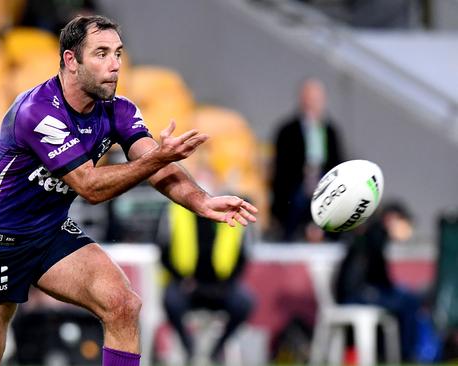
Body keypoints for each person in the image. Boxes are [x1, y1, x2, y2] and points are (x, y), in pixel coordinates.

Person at [0, 15, 258, 366]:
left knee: (123, 305)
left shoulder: (119, 110)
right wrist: (158, 159)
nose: (115, 65)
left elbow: (157, 167)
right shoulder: (37, 111)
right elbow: (90, 186)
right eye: (101, 53)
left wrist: (202, 200)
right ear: (71, 60)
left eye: (118, 53)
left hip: (49, 232)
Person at [156, 167, 255, 363]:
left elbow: (243, 256)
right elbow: (163, 251)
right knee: (171, 301)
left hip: (221, 286)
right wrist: (181, 278)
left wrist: (227, 283)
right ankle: (189, 347)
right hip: (186, 284)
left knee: (244, 302)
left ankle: (216, 349)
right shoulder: (173, 211)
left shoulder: (229, 211)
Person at [333, 201, 422, 361]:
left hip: (364, 291)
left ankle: (396, 353)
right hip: (357, 294)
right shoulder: (374, 232)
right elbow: (374, 274)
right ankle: (406, 355)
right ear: (391, 218)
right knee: (408, 302)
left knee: (407, 298)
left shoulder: (374, 232)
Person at [270, 78, 344, 242]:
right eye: (309, 99)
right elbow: (281, 170)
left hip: (325, 184)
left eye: (316, 99)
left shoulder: (330, 131)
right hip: (297, 187)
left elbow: (338, 162)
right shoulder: (288, 131)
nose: (312, 104)